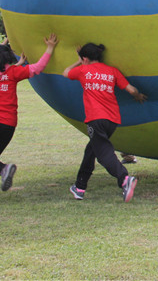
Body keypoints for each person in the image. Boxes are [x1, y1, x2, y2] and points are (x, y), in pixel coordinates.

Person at [0, 34, 58, 204]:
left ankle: (4, 169)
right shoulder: (14, 72)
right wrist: (50, 48)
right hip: (7, 124)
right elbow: (38, 67)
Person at [64, 43, 145, 202]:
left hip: (95, 119)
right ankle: (80, 187)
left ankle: (124, 179)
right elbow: (131, 90)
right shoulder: (112, 71)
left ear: (85, 59)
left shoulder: (83, 70)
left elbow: (65, 72)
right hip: (112, 120)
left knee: (103, 154)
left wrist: (79, 62)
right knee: (91, 151)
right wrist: (138, 96)